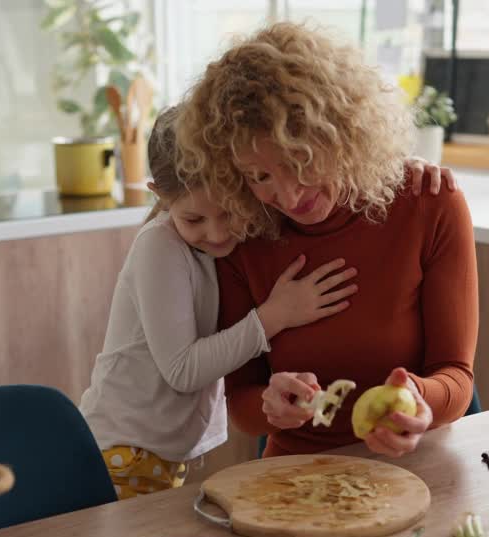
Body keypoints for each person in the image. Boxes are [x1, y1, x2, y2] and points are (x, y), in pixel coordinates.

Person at [175, 21, 478, 459]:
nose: (289, 195)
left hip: (414, 465)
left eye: (300, 160)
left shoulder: (429, 203)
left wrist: (419, 398)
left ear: (340, 133)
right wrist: (269, 404)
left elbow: (457, 378)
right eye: (259, 176)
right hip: (295, 474)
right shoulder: (244, 230)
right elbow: (241, 402)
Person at [78, 106, 358, 499]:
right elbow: (183, 370)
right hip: (120, 453)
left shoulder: (224, 242)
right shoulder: (159, 246)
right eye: (195, 219)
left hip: (159, 455)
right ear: (159, 195)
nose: (216, 233)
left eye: (229, 213)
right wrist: (275, 316)